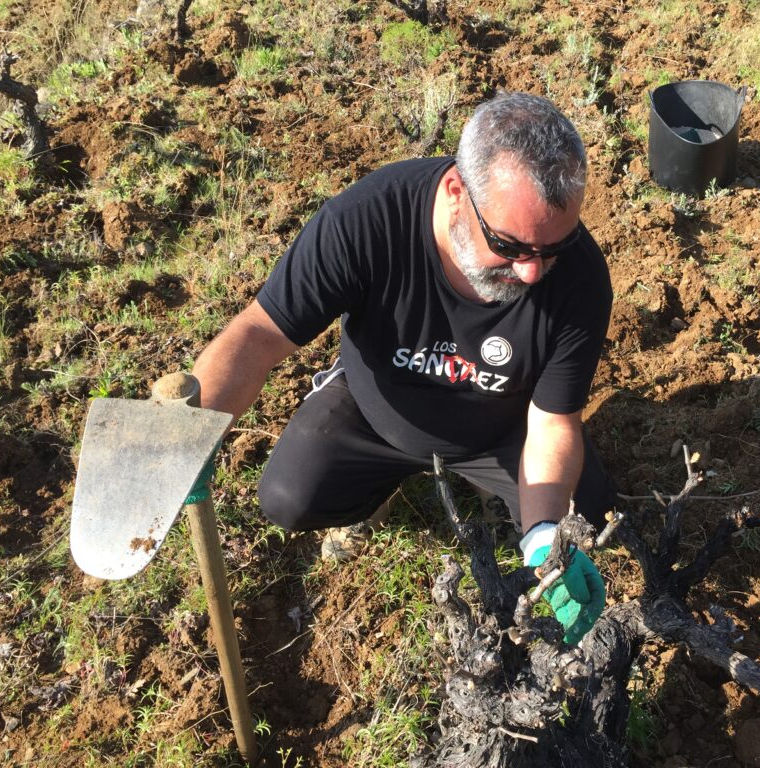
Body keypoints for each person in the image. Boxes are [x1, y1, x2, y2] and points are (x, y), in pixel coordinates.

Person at [192, 92, 616, 644]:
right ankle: (378, 468)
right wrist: (187, 436)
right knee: (289, 499)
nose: (533, 272)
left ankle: (495, 492)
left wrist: (543, 538)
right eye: (509, 246)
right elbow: (257, 336)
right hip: (376, 408)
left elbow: (553, 424)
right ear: (456, 191)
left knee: (589, 514)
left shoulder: (579, 278)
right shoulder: (365, 220)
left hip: (502, 428)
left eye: (552, 248)